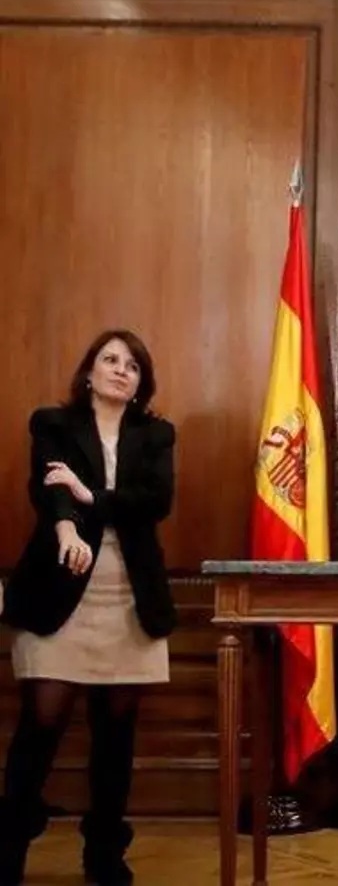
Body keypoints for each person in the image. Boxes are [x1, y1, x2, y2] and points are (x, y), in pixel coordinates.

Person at [0, 330, 177, 886]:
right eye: (110, 359)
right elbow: (49, 486)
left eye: (133, 365)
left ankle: (104, 853)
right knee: (41, 725)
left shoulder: (156, 434)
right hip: (59, 589)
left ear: (141, 383)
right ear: (89, 372)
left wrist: (91, 497)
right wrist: (67, 526)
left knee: (115, 733)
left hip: (129, 594)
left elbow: (155, 502)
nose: (121, 370)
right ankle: (8, 845)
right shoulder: (53, 424)